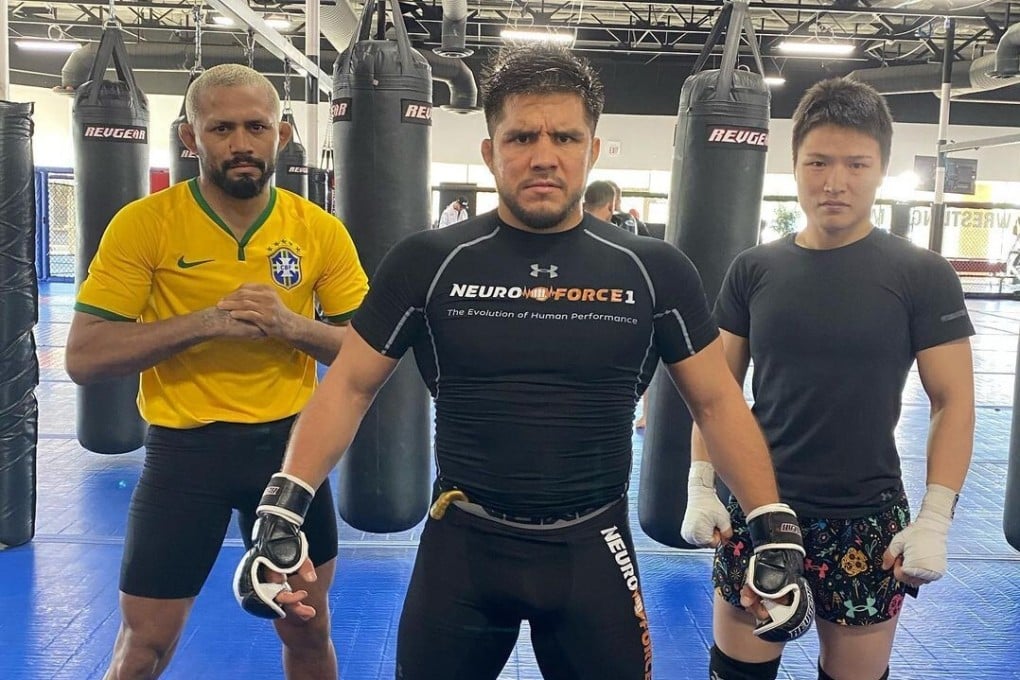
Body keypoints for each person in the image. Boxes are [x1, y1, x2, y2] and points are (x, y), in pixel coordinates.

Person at [233, 43, 814, 679]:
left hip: (594, 548)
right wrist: (283, 503)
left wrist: (771, 521)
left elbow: (717, 400)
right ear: (490, 151)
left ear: (593, 151)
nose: (544, 155)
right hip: (463, 547)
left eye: (565, 136)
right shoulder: (428, 262)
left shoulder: (654, 271)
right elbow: (347, 388)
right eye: (521, 137)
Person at [64, 63, 369, 680]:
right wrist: (200, 324)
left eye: (256, 127)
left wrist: (292, 328)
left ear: (281, 135)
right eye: (221, 128)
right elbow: (84, 357)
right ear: (189, 137)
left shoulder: (319, 232)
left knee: (309, 630)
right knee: (143, 645)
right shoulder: (144, 224)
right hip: (184, 457)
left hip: (291, 460)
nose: (240, 144)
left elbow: (367, 353)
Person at [683, 77, 975, 680]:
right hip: (760, 509)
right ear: (794, 166)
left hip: (864, 517)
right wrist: (701, 482)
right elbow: (718, 394)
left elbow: (953, 400)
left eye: (856, 163)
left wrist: (936, 518)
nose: (834, 182)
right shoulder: (753, 269)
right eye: (817, 161)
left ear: (881, 169)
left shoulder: (922, 274)